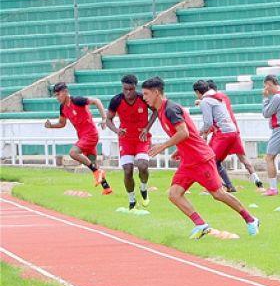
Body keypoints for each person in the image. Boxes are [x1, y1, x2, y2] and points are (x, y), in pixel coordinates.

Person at [141, 77, 259, 239]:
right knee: (174, 194)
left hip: (200, 158)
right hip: (188, 161)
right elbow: (187, 134)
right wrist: (180, 150)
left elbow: (184, 132)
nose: (144, 98)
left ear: (156, 93)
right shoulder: (160, 110)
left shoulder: (170, 109)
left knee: (218, 194)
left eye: (146, 94)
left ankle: (251, 219)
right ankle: (201, 224)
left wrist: (163, 146)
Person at [44, 82, 112, 194]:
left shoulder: (77, 100)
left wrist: (104, 118)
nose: (57, 98)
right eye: (55, 95)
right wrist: (51, 125)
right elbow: (62, 123)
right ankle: (107, 188)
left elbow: (97, 101)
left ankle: (98, 172)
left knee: (73, 153)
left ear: (65, 92)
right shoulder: (62, 107)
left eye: (58, 94)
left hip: (90, 135)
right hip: (82, 137)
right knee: (92, 163)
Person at [201, 80, 264, 190]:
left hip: (223, 132)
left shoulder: (210, 100)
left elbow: (213, 120)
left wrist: (205, 132)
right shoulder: (222, 98)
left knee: (211, 159)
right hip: (234, 131)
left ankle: (220, 185)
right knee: (243, 158)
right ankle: (258, 182)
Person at [105, 74, 152, 208]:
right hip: (125, 140)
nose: (127, 92)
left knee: (142, 165)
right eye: (125, 89)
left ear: (135, 87)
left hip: (141, 139)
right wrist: (116, 130)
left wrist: (147, 128)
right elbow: (108, 119)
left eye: (130, 89)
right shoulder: (116, 100)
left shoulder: (143, 98)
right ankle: (131, 199)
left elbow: (155, 111)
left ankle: (143, 188)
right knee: (127, 170)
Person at [193, 80, 248, 193]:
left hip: (224, 133)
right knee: (215, 161)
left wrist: (199, 133)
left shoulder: (206, 101)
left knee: (209, 160)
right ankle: (228, 186)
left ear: (198, 92)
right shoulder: (217, 98)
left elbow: (208, 123)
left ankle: (216, 186)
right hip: (232, 131)